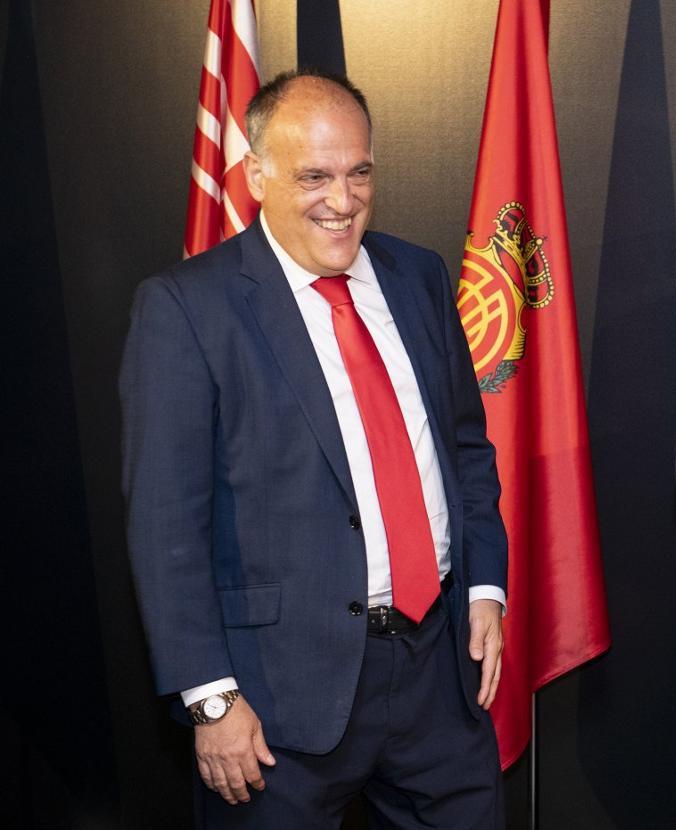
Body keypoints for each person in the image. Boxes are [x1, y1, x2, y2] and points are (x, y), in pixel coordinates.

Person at [120, 69, 507, 828]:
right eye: (315, 176)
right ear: (257, 174)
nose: (343, 199)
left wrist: (485, 588)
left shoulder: (419, 276)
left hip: (436, 677)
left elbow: (466, 448)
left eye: (359, 172)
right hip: (278, 702)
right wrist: (211, 699)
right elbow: (167, 527)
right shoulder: (187, 309)